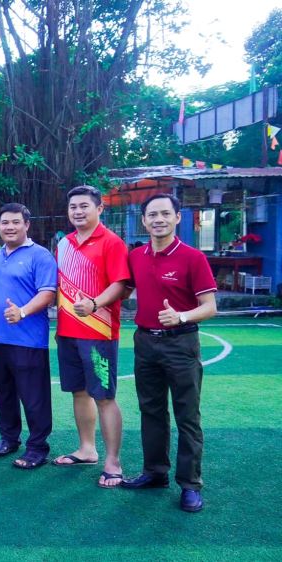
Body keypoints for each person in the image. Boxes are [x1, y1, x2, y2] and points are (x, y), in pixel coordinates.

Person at [120, 194, 217, 513]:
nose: (158, 219)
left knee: (187, 414)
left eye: (165, 213)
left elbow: (210, 307)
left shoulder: (192, 258)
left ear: (177, 217)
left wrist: (182, 316)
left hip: (180, 343)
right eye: (152, 215)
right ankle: (155, 472)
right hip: (145, 342)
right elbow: (123, 288)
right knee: (151, 410)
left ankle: (190, 484)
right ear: (144, 221)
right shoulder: (136, 256)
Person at [52, 185, 129, 489]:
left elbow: (121, 284)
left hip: (99, 333)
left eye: (84, 206)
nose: (78, 211)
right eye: (73, 206)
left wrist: (95, 304)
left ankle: (113, 462)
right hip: (67, 332)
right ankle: (87, 449)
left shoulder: (112, 242)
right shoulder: (65, 244)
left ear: (99, 209)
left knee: (104, 397)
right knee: (79, 392)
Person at [0, 203, 57, 469]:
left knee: (34, 396)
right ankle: (8, 439)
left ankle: (37, 447)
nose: (10, 227)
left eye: (16, 222)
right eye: (5, 222)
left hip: (28, 340)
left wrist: (22, 312)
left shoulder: (40, 256)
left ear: (27, 225)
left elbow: (48, 293)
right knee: (4, 393)